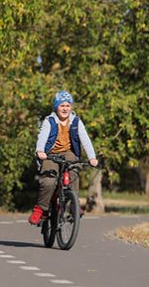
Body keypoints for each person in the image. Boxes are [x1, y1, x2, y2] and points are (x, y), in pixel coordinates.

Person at [28, 90, 98, 225]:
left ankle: (73, 204)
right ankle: (40, 209)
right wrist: (40, 150)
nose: (65, 108)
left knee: (74, 171)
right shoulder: (50, 121)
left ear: (71, 107)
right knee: (48, 180)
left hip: (68, 153)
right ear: (56, 107)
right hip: (50, 153)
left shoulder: (76, 121)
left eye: (68, 105)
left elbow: (85, 140)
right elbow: (42, 137)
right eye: (62, 105)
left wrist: (92, 157)